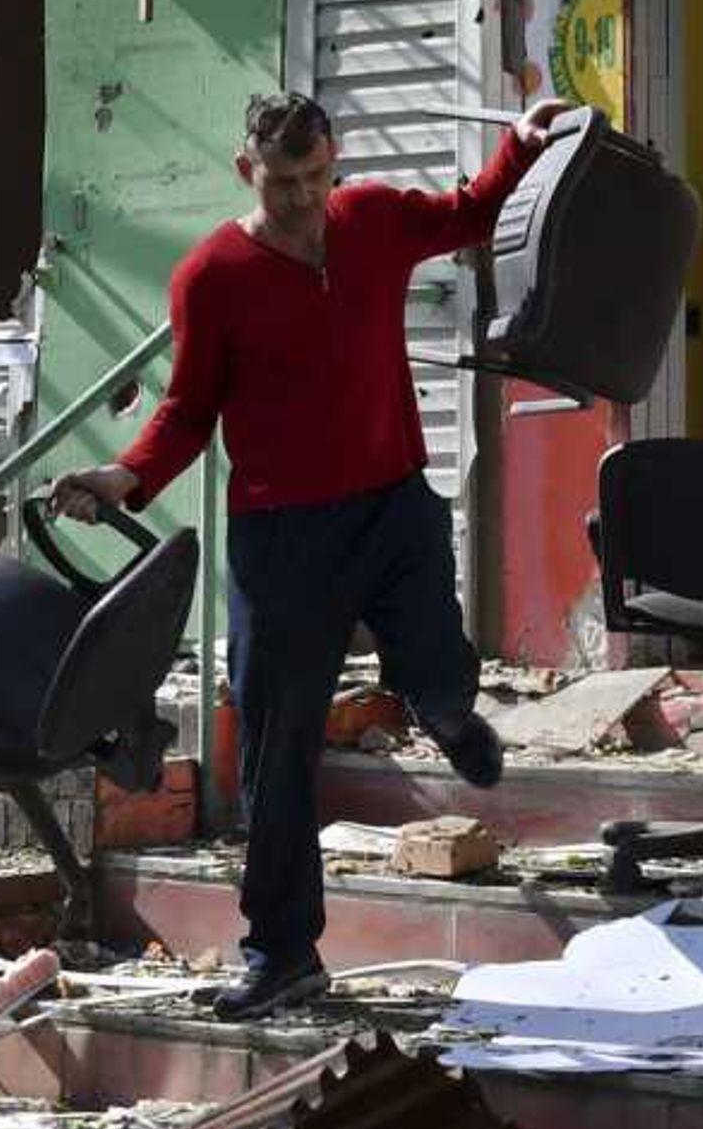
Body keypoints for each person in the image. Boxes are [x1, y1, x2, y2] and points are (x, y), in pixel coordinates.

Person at [51, 89, 568, 1019]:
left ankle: (448, 714)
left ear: (336, 163)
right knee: (274, 749)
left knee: (437, 673)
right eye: (281, 182)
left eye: (314, 178)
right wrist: (125, 478)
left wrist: (521, 146)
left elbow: (469, 215)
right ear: (248, 171)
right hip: (283, 537)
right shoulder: (212, 276)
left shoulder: (369, 220)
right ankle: (282, 951)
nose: (299, 200)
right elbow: (186, 410)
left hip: (392, 507)